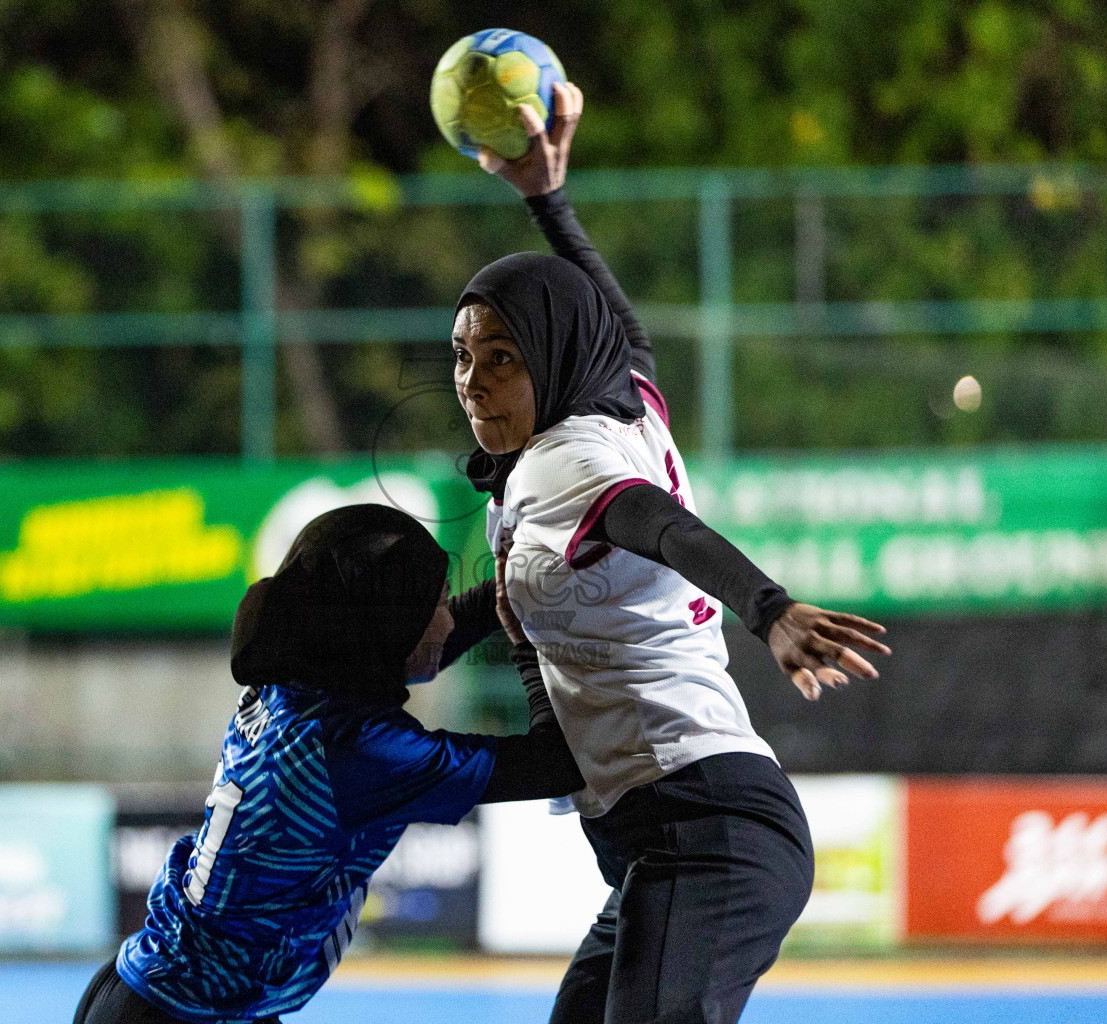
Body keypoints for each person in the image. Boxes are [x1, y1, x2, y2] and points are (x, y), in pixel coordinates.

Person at [454, 84, 892, 1023]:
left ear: (554, 358)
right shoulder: (624, 408)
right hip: (669, 842)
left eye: (502, 356)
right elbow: (621, 328)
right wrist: (547, 198)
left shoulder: (565, 462)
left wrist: (767, 607)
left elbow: (658, 523)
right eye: (463, 354)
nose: (472, 382)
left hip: (706, 828)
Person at [74, 503, 583, 1024]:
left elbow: (406, 646)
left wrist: (516, 584)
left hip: (169, 994)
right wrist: (526, 644)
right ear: (392, 627)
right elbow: (558, 764)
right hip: (183, 1011)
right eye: (440, 603)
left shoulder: (293, 681)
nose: (451, 619)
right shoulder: (357, 753)